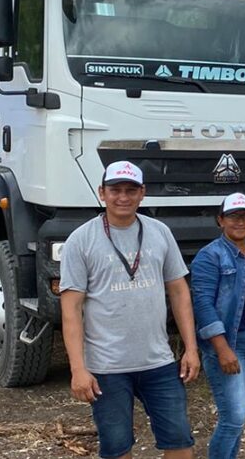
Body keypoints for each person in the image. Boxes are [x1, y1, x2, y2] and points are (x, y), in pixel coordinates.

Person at [59, 161, 199, 459]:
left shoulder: (159, 232)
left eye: (131, 190)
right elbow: (71, 308)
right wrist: (78, 369)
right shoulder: (81, 240)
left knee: (180, 442)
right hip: (107, 368)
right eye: (116, 190)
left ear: (142, 193)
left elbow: (179, 291)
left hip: (158, 363)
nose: (123, 197)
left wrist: (191, 348)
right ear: (102, 193)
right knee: (117, 448)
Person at [191, 192, 245, 459]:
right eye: (234, 216)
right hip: (229, 343)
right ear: (220, 220)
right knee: (233, 417)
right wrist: (222, 348)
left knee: (241, 416)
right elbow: (203, 305)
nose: (241, 221)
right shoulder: (210, 256)